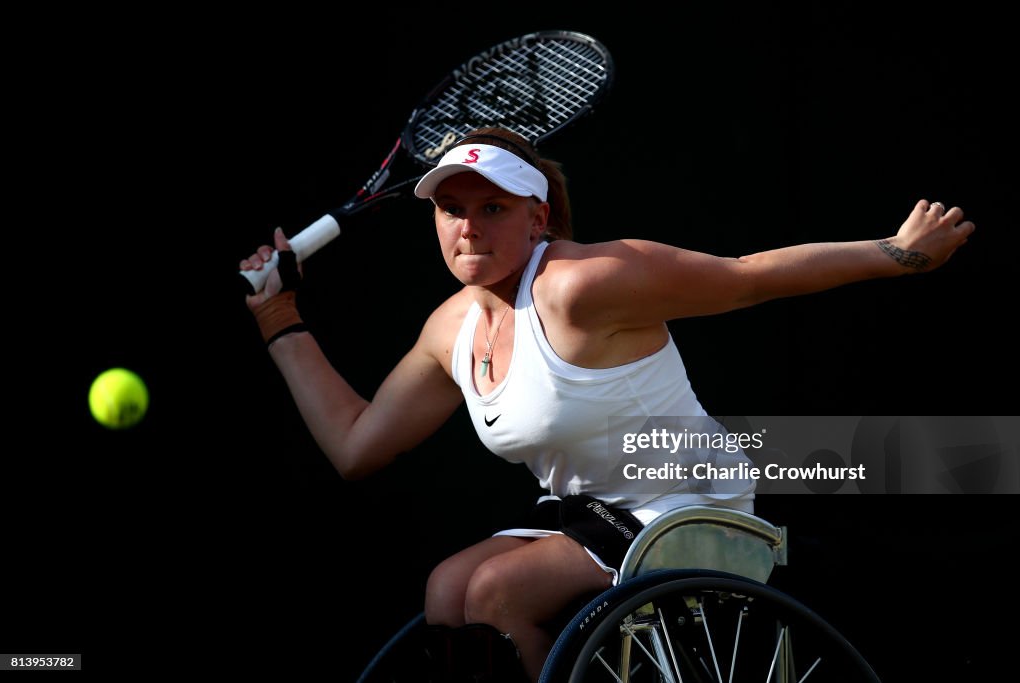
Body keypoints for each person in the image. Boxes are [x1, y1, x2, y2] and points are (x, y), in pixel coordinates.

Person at [239, 127, 974, 681]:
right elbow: (356, 444)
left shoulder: (581, 284)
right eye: (452, 208)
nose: (468, 227)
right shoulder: (452, 327)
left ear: (539, 218)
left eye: (493, 207)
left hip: (688, 505)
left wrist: (896, 251)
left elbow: (745, 277)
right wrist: (281, 320)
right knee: (445, 591)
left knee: (495, 590)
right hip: (593, 512)